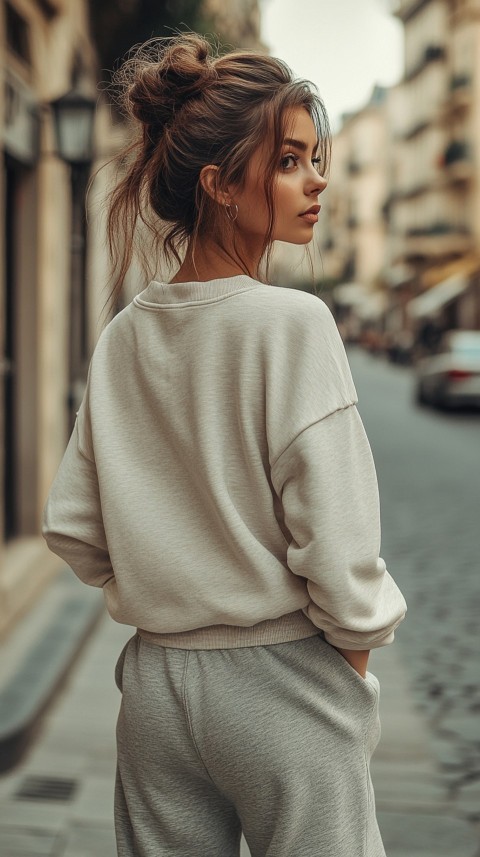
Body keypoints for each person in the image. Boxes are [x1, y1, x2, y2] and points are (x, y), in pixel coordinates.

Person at [43, 33, 406, 857]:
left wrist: (170, 576)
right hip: (283, 680)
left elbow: (73, 527)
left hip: (155, 694)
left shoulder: (125, 335)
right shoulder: (295, 323)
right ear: (219, 185)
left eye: (315, 158)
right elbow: (344, 547)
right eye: (287, 162)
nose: (317, 180)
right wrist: (343, 678)